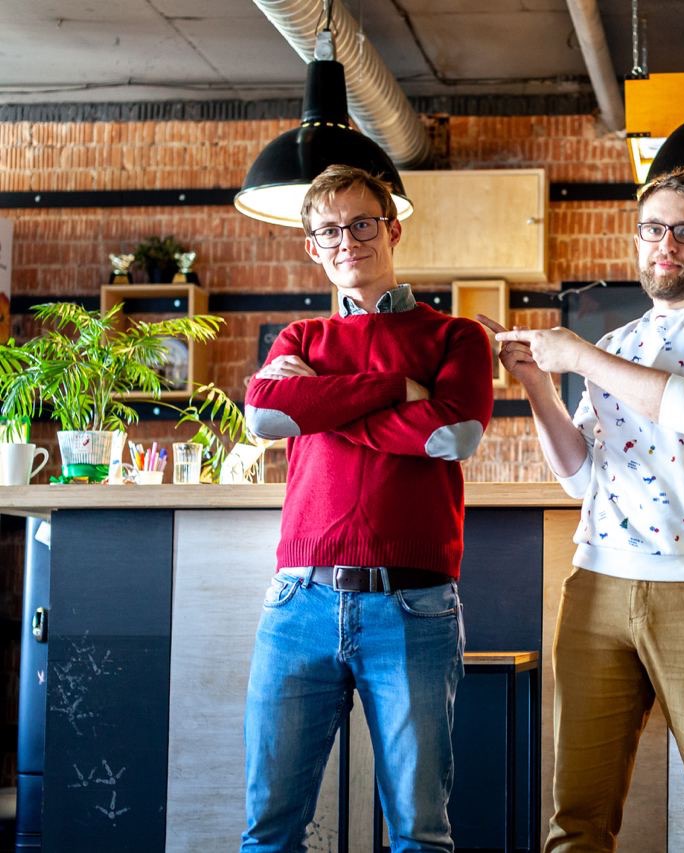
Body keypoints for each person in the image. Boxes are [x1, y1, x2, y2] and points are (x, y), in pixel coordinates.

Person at [481, 166, 684, 852]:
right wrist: (538, 384)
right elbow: (581, 478)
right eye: (653, 229)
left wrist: (577, 355)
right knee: (577, 821)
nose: (666, 244)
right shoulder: (616, 345)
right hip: (598, 585)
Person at [240, 164, 494, 853]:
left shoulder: (457, 337)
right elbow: (264, 419)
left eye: (362, 223)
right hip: (299, 602)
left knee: (420, 833)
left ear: (393, 229)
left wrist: (321, 401)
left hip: (412, 605)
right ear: (312, 247)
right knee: (269, 830)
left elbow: (452, 435)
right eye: (329, 230)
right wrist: (396, 388)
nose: (347, 240)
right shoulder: (298, 339)